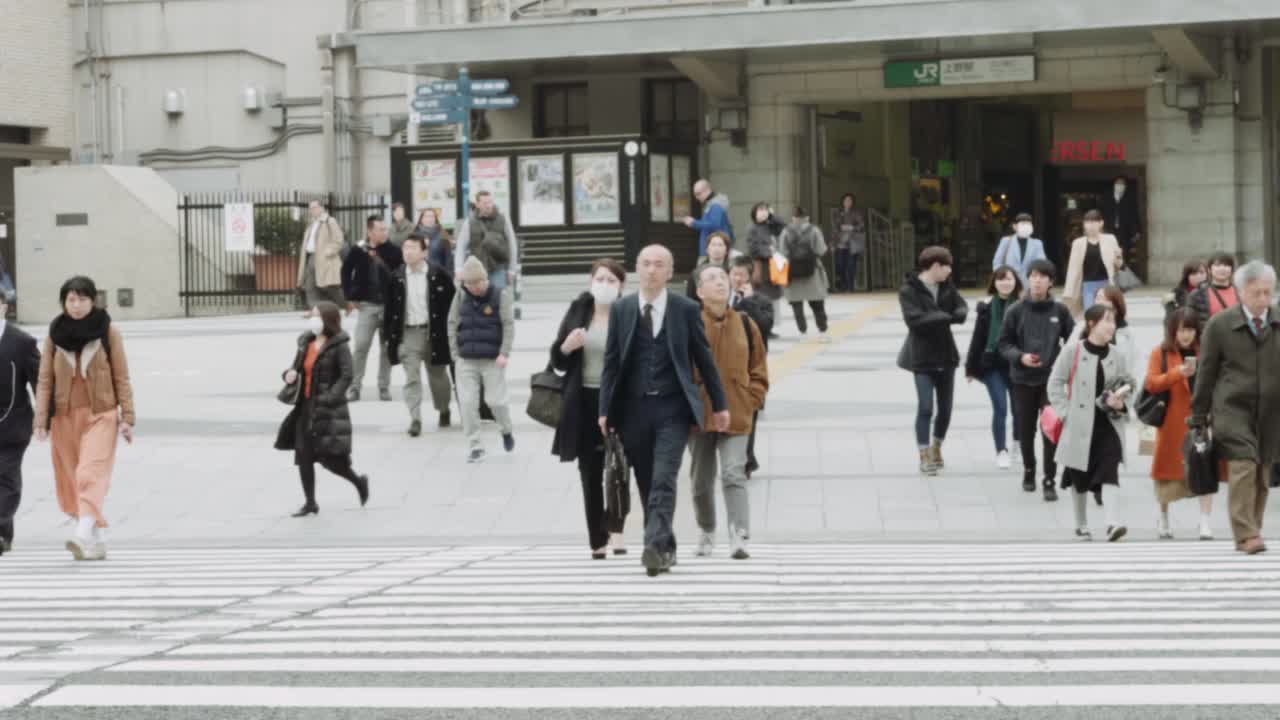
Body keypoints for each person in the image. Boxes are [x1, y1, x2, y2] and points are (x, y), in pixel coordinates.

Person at [598, 244, 729, 577]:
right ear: (637, 269)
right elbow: (611, 362)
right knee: (645, 480)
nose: (652, 270)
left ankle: (654, 547)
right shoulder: (623, 309)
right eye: (645, 264)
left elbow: (704, 360)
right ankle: (664, 545)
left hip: (673, 408)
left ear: (671, 272)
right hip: (632, 409)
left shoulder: (685, 309)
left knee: (663, 479)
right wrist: (604, 409)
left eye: (659, 265)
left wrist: (720, 405)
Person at [33, 276, 136, 560]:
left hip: (101, 413)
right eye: (71, 299)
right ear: (64, 302)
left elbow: (121, 376)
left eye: (82, 299)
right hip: (64, 417)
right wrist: (41, 420)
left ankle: (81, 534)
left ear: (93, 301)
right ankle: (99, 536)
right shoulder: (55, 334)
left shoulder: (108, 331)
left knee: (88, 473)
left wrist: (127, 416)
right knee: (70, 480)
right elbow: (45, 380)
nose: (76, 305)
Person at [1189, 260, 1280, 555]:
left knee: (1262, 470)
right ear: (1241, 293)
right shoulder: (1220, 325)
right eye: (1257, 293)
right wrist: (1199, 416)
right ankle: (1246, 533)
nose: (1263, 299)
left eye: (1268, 292)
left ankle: (1250, 529)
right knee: (1243, 463)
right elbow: (1206, 373)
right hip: (1232, 408)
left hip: (1271, 411)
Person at [552, 259, 630, 560]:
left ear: (621, 285)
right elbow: (557, 360)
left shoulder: (629, 312)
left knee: (620, 466)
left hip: (618, 401)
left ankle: (617, 529)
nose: (605, 284)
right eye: (600, 278)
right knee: (590, 472)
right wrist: (566, 347)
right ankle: (597, 538)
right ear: (590, 281)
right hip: (583, 400)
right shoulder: (578, 311)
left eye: (612, 280)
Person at [690, 265, 768, 560]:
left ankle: (739, 533)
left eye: (722, 278)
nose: (719, 282)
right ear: (699, 291)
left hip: (737, 411)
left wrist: (753, 398)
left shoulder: (746, 323)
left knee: (734, 472)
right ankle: (707, 530)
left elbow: (759, 368)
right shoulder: (690, 323)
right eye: (711, 279)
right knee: (700, 480)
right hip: (699, 413)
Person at [1049, 304, 1135, 542]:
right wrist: (1066, 413)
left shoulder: (1117, 355)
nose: (1111, 326)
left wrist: (1121, 402)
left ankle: (1112, 523)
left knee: (1110, 470)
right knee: (1079, 475)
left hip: (1109, 423)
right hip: (1079, 424)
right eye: (1107, 320)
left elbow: (1128, 387)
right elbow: (1055, 383)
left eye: (1113, 321)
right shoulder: (1073, 351)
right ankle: (1081, 523)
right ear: (1091, 324)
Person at [275, 302, 369, 518]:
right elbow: (296, 368)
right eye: (312, 315)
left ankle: (358, 481)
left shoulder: (339, 345)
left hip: (327, 408)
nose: (312, 319)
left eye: (316, 315)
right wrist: (289, 374)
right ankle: (310, 502)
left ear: (327, 319)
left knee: (331, 459)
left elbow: (347, 375)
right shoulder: (306, 342)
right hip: (305, 406)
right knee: (304, 455)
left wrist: (330, 397)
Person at [998, 259, 1076, 501]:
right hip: (1021, 380)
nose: (1037, 280)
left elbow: (1073, 342)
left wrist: (1063, 366)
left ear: (1051, 282)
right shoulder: (1015, 311)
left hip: (1050, 381)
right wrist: (1020, 357)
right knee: (1025, 429)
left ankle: (1050, 479)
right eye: (1033, 276)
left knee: (1050, 429)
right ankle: (1029, 471)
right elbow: (1003, 344)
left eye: (1042, 276)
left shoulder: (1060, 311)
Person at [898, 246, 969, 476]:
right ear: (936, 266)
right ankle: (924, 453)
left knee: (946, 409)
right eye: (947, 266)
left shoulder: (947, 286)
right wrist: (945, 317)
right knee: (926, 407)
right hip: (922, 356)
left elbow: (961, 305)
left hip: (946, 355)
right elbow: (914, 320)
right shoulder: (909, 290)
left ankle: (937, 447)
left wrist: (960, 312)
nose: (950, 271)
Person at [1145, 308, 1214, 540]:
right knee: (1166, 473)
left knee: (1204, 467)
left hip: (1199, 420)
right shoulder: (1161, 353)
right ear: (1173, 330)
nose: (1186, 335)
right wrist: (1178, 373)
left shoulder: (1204, 352)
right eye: (1182, 330)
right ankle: (1163, 518)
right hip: (1171, 421)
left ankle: (1205, 521)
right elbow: (1151, 383)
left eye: (1191, 330)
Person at [384, 233, 455, 436]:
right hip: (408, 334)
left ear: (424, 252)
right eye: (405, 247)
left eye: (413, 247)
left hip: (434, 334)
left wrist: (451, 334)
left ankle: (443, 409)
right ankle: (415, 418)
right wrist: (389, 338)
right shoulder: (396, 277)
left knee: (438, 378)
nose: (408, 251)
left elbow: (452, 307)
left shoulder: (439, 274)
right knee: (411, 377)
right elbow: (389, 311)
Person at [449, 256, 515, 462]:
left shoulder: (500, 295)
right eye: (469, 283)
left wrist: (504, 352)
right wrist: (454, 354)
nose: (474, 287)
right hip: (466, 359)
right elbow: (451, 323)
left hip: (492, 359)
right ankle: (475, 445)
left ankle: (506, 429)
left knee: (496, 402)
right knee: (467, 404)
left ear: (485, 279)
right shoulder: (460, 296)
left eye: (478, 282)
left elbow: (508, 324)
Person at [965, 265, 1023, 470]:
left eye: (1009, 279)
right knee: (1000, 407)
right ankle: (1001, 451)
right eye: (1001, 279)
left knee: (1019, 409)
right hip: (992, 365)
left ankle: (1017, 444)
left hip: (1017, 364)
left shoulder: (1024, 305)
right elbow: (977, 338)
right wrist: (970, 368)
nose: (1005, 283)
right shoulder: (986, 306)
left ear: (1016, 281)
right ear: (994, 283)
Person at [341, 214, 403, 403]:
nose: (385, 232)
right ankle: (354, 387)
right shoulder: (358, 250)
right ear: (370, 231)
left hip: (388, 306)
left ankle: (384, 387)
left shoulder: (394, 251)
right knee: (360, 346)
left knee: (386, 348)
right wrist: (349, 297)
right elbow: (345, 271)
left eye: (385, 229)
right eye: (380, 229)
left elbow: (401, 275)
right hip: (367, 306)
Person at [0, 296, 39, 556]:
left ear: (4, 306)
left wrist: (48, 417)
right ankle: (5, 535)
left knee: (6, 478)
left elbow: (41, 381)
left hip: (12, 424)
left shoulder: (22, 342)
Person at [730, 256, 772, 479]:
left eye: (742, 276)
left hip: (750, 368)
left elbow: (764, 327)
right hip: (724, 366)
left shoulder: (761, 301)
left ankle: (746, 459)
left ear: (750, 278)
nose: (737, 279)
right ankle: (743, 458)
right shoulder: (719, 299)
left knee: (749, 414)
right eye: (733, 274)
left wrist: (748, 302)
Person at [781, 206, 830, 341]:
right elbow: (821, 250)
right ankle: (822, 332)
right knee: (817, 304)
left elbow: (783, 252)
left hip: (793, 273)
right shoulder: (814, 230)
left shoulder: (786, 231)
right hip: (812, 271)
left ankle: (803, 333)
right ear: (807, 218)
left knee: (797, 304)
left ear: (793, 218)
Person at [1062, 209, 1122, 315]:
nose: (1091, 225)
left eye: (1094, 222)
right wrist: (1069, 290)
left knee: (1106, 313)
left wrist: (1118, 256)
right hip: (1088, 284)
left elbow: (1118, 264)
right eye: (1088, 222)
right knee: (1090, 314)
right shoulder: (1078, 243)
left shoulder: (1110, 239)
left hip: (1106, 283)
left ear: (1101, 223)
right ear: (1084, 224)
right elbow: (1073, 269)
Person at [454, 191, 519, 290]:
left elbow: (512, 244)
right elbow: (460, 247)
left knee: (498, 301)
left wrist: (512, 270)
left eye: (490, 202)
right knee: (478, 303)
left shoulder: (503, 219)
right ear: (477, 204)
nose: (489, 205)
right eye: (485, 203)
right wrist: (458, 269)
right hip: (477, 271)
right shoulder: (469, 222)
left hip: (498, 270)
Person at [296, 199, 346, 312]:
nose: (311, 210)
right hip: (310, 258)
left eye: (314, 207)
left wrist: (329, 251)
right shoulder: (311, 223)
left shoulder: (329, 221)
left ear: (322, 208)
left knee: (330, 287)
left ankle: (345, 304)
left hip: (324, 259)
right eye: (310, 208)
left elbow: (339, 239)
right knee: (310, 287)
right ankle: (315, 310)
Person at [745, 202, 783, 324]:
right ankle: (763, 324)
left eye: (765, 210)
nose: (763, 212)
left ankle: (770, 324)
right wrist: (769, 252)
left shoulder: (770, 225)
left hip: (773, 266)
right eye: (760, 210)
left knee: (773, 296)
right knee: (762, 296)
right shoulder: (752, 228)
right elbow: (752, 249)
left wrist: (772, 216)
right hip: (761, 266)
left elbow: (782, 227)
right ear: (754, 212)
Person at [991, 212, 1048, 287]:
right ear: (1015, 226)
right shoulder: (1006, 241)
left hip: (1029, 286)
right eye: (1023, 224)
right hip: (1009, 285)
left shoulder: (1037, 244)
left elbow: (1041, 265)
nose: (1026, 226)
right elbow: (997, 263)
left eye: (1029, 224)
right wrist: (1003, 278)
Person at [682, 179, 733, 257]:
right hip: (713, 248)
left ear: (707, 190)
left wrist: (694, 223)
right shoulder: (713, 204)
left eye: (698, 194)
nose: (696, 197)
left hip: (714, 250)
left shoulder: (716, 205)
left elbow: (714, 225)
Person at [1094, 285, 1136, 375]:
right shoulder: (1084, 328)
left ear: (1115, 304)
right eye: (1097, 298)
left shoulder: (1127, 333)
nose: (1099, 302)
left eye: (1105, 299)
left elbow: (1133, 365)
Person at [1100, 175, 1142, 261]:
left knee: (1124, 253)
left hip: (1124, 230)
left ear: (1125, 186)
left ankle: (1122, 270)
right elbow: (1102, 213)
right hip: (1109, 229)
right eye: (1118, 183)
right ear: (1114, 185)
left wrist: (1137, 230)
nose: (1120, 186)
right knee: (1109, 253)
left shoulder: (1129, 198)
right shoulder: (1107, 197)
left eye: (1122, 184)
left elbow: (1134, 215)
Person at [830, 193, 867, 293]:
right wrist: (833, 244)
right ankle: (843, 284)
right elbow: (834, 228)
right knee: (840, 265)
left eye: (850, 200)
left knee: (851, 265)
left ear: (852, 202)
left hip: (852, 243)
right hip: (840, 243)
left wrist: (852, 227)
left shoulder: (856, 212)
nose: (848, 202)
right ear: (842, 202)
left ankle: (850, 287)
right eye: (846, 200)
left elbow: (862, 225)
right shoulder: (838, 212)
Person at [1188, 252, 1240, 320]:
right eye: (1217, 265)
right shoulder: (1198, 294)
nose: (1222, 268)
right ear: (1209, 270)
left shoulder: (1241, 292)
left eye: (1226, 265)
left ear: (1232, 269)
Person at [685, 232, 736, 299]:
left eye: (720, 245)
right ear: (707, 249)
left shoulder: (732, 272)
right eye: (713, 245)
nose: (716, 248)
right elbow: (690, 298)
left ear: (727, 250)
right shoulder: (697, 273)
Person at [416, 208, 454, 277]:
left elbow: (449, 260)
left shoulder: (442, 236)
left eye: (432, 216)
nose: (429, 219)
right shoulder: (415, 235)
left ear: (435, 219)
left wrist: (450, 277)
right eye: (427, 216)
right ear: (421, 219)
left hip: (438, 275)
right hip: (419, 275)